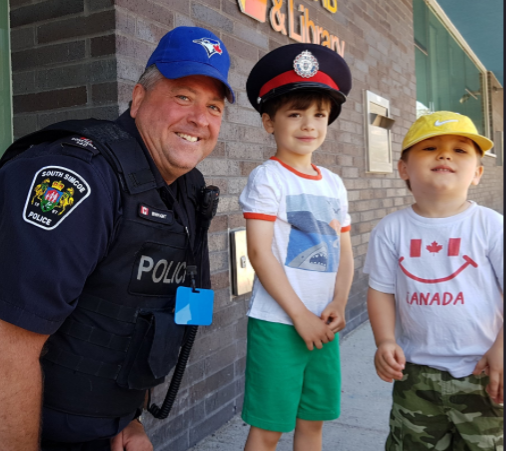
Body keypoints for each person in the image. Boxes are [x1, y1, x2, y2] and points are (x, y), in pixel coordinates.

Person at [0, 26, 234, 451]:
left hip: (108, 429)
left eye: (214, 106)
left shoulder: (189, 189)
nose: (200, 119)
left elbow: (152, 311)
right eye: (183, 96)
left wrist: (129, 419)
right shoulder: (81, 177)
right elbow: (7, 346)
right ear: (139, 97)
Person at [364, 111, 503, 450]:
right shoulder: (391, 229)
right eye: (429, 148)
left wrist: (502, 349)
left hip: (483, 371)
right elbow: (381, 290)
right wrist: (384, 340)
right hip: (415, 373)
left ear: (477, 173)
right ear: (403, 169)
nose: (444, 155)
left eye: (460, 150)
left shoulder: (490, 226)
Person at [238, 43, 354, 451]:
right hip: (279, 323)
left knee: (313, 424)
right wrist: (299, 315)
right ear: (269, 122)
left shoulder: (334, 183)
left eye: (319, 115)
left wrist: (339, 301)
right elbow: (260, 253)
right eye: (295, 113)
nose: (309, 124)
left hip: (324, 323)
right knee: (269, 429)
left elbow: (345, 252)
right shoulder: (267, 178)